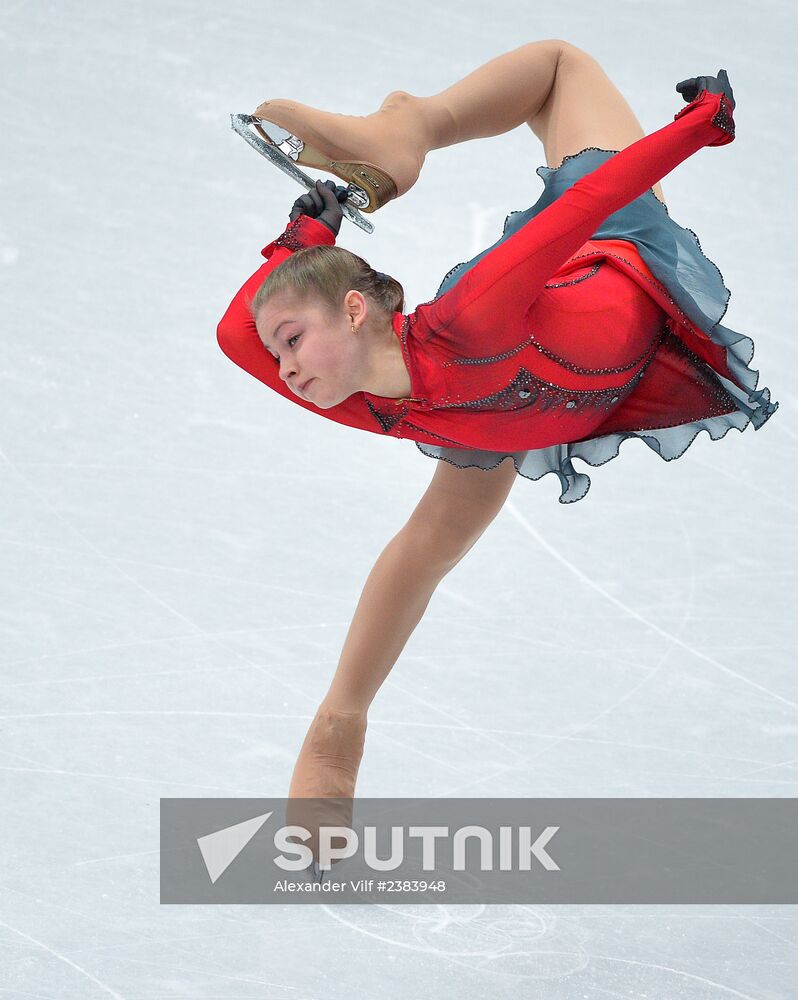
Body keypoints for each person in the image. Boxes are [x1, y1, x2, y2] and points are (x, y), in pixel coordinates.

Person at [216, 42, 777, 871]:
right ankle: (339, 725)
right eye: (282, 351)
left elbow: (587, 202)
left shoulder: (471, 318)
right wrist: (299, 240)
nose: (285, 368)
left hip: (604, 266)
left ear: (358, 310)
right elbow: (238, 334)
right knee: (427, 547)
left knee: (560, 71)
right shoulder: (352, 392)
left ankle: (406, 131)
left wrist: (696, 128)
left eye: (294, 339)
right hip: (510, 411)